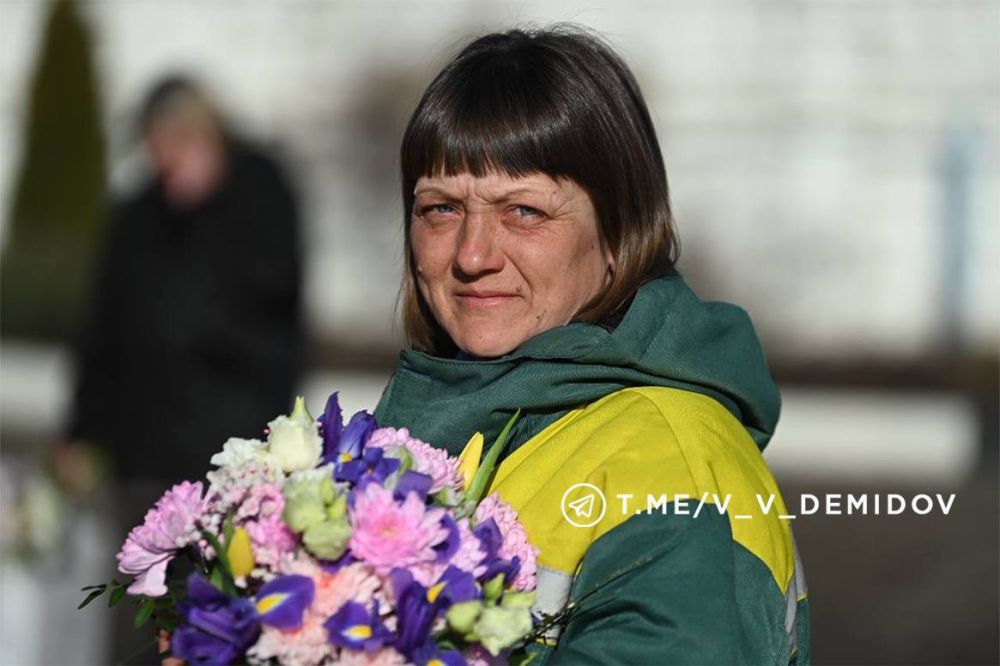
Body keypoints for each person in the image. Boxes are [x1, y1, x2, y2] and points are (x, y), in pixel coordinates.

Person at [373, 26, 810, 664]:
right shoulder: (458, 424)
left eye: (524, 211)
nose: (471, 255)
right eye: (439, 209)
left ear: (619, 236)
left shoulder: (672, 463)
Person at [61, 75, 304, 662]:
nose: (165, 155)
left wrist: (205, 214)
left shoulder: (259, 192)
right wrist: (78, 430)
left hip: (229, 450)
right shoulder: (138, 215)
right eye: (155, 141)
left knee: (223, 613)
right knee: (138, 621)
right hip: (141, 450)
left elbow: (274, 299)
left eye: (178, 138)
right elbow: (102, 331)